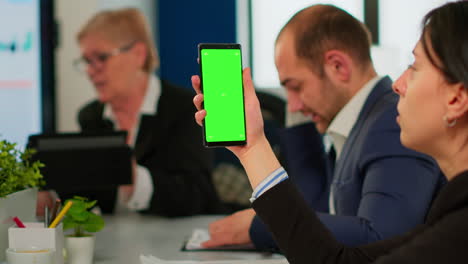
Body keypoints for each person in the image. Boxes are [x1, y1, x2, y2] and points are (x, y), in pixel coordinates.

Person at [194, 1, 468, 263]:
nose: (397, 84)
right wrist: (254, 146)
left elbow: (375, 236)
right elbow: (332, 252)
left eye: (415, 67)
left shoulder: (386, 122)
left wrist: (260, 224)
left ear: (456, 99)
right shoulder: (450, 211)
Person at [73, 8, 224, 216]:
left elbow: (198, 196)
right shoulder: (90, 117)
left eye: (101, 57)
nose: (91, 70)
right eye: (87, 61)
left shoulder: (185, 108)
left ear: (138, 55)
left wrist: (135, 181)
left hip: (175, 241)